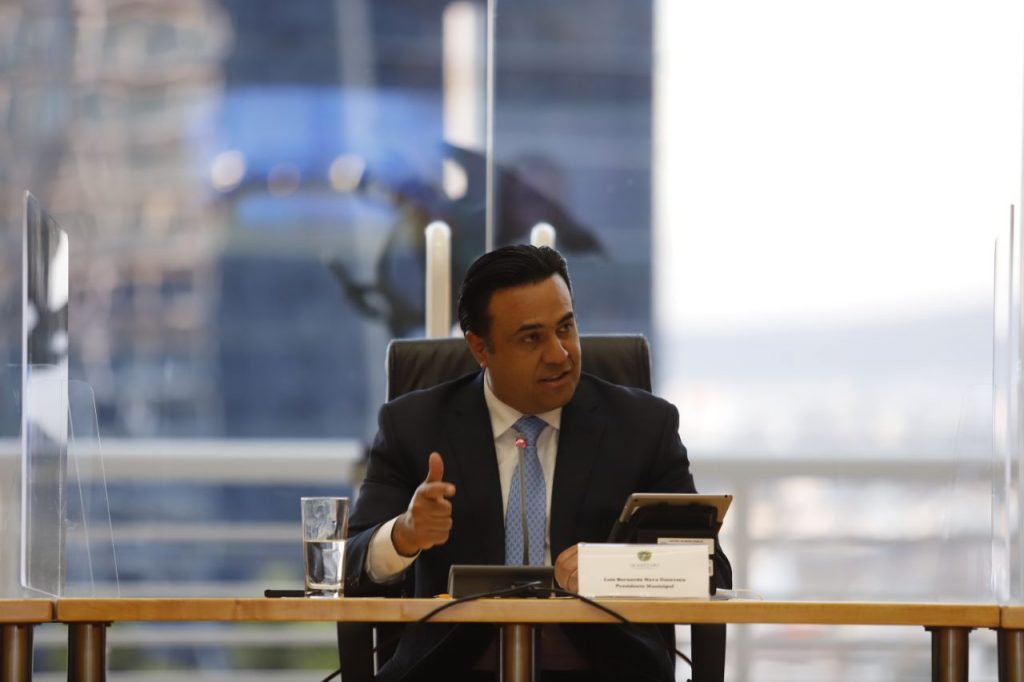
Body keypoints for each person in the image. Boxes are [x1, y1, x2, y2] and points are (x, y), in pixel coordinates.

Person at [344, 245, 730, 682]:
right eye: (532, 338)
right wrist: (403, 535)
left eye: (566, 327)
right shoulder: (413, 426)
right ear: (480, 348)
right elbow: (347, 564)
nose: (559, 354)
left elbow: (710, 569)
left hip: (604, 670)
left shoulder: (643, 426)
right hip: (449, 668)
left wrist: (611, 570)